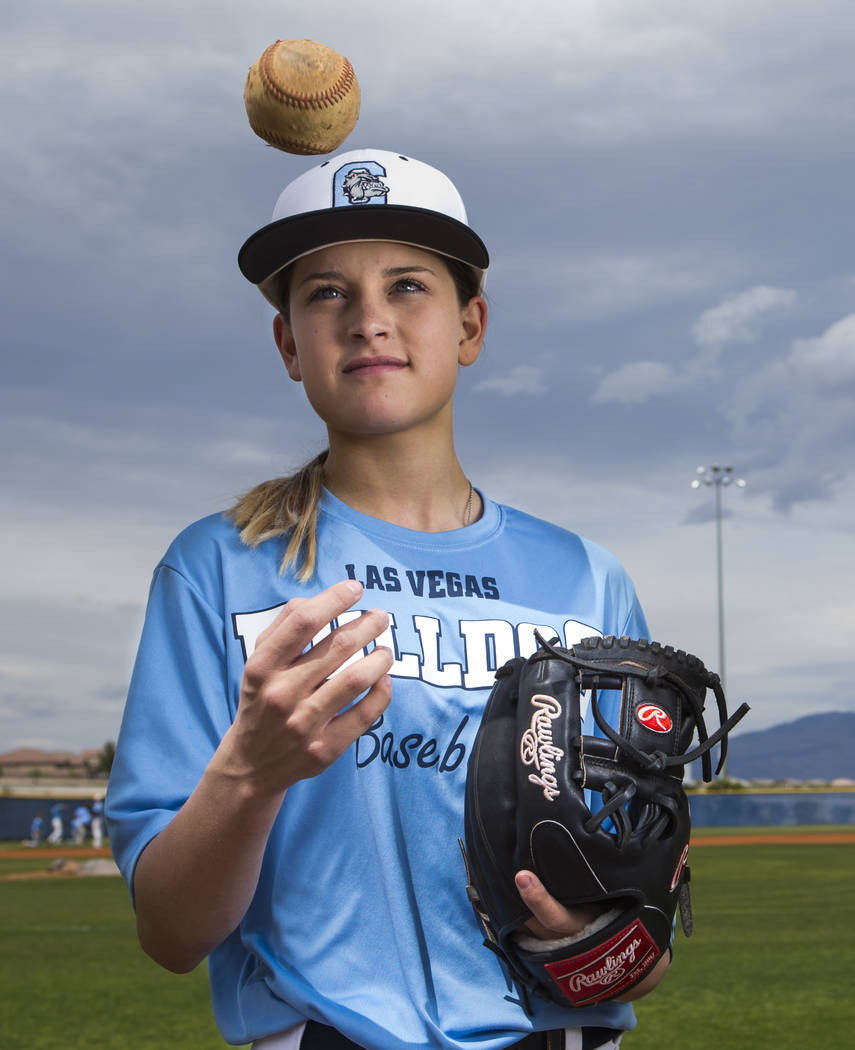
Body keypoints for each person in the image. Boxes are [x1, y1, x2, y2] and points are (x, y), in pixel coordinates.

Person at [106, 149, 668, 1050]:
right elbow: (172, 935)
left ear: (470, 326)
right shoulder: (218, 569)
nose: (368, 320)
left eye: (408, 285)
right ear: (289, 343)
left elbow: (646, 937)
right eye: (325, 293)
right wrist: (251, 773)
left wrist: (599, 941)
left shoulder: (585, 581)